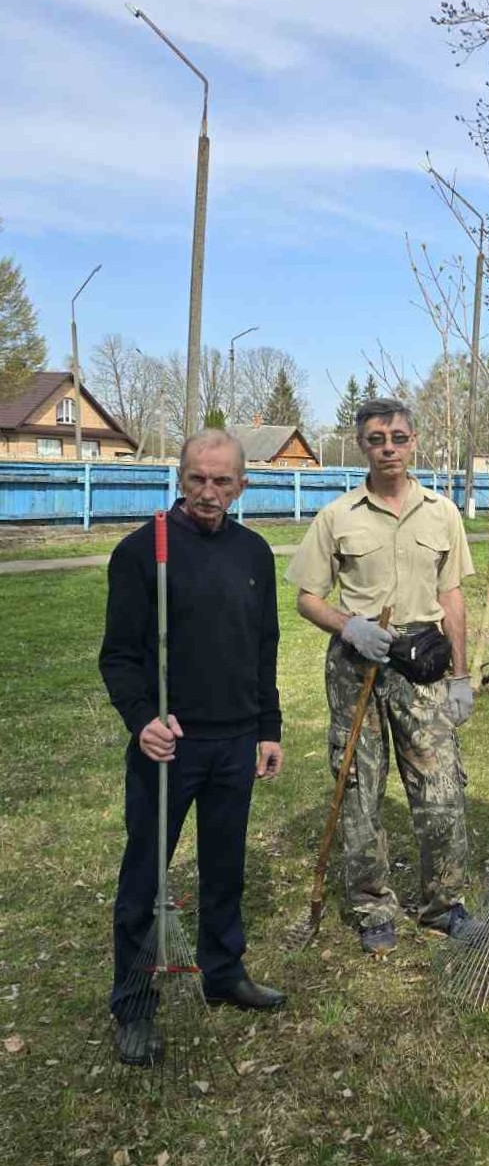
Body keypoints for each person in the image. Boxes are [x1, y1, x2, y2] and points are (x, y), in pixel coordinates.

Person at [99, 429, 285, 1066]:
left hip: (235, 741)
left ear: (242, 483)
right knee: (146, 877)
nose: (209, 493)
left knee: (225, 868)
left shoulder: (255, 553)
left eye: (222, 481)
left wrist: (269, 727)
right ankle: (134, 1001)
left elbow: (266, 648)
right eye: (198, 479)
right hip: (168, 746)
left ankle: (223, 970)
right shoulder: (140, 552)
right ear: (180, 477)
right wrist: (141, 719)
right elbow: (119, 657)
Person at [286, 398, 474, 954]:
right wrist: (349, 627)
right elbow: (306, 598)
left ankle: (443, 904)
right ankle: (373, 907)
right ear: (362, 445)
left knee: (439, 786)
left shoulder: (442, 513)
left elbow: (452, 596)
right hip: (357, 663)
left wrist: (460, 676)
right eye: (375, 439)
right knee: (358, 787)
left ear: (413, 441)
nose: (387, 448)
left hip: (422, 662)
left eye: (397, 437)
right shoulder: (337, 517)